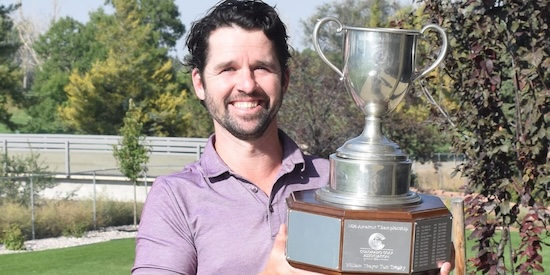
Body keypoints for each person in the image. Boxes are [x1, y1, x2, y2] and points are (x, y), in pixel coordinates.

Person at [132, 1, 454, 274]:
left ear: (284, 79)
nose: (246, 84)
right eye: (227, 69)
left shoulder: (340, 180)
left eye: (261, 68)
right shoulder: (175, 198)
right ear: (199, 83)